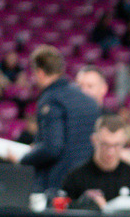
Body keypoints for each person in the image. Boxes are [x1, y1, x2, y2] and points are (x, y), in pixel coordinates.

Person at [20, 46, 98, 192]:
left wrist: (24, 158)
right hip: (86, 182)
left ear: (40, 73)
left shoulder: (51, 99)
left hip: (58, 184)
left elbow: (52, 148)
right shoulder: (89, 100)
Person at [60, 115, 130, 210]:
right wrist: (83, 204)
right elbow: (63, 214)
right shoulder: (75, 177)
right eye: (105, 144)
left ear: (124, 142)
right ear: (94, 140)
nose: (110, 151)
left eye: (116, 145)